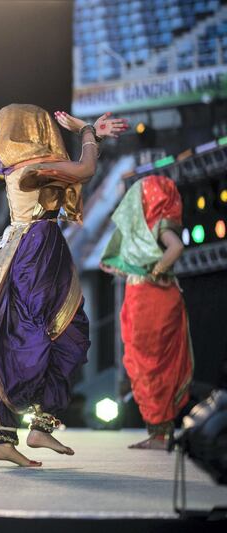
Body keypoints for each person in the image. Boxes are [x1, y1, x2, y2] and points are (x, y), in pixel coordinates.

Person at [0, 105, 127, 466]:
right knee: (28, 341)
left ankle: (35, 429)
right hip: (32, 256)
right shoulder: (28, 170)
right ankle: (7, 435)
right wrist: (86, 132)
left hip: (46, 254)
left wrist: (92, 134)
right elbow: (83, 170)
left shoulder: (37, 166)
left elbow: (75, 171)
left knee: (68, 335)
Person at [100, 175, 193, 449]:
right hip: (142, 297)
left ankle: (161, 433)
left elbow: (176, 247)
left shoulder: (158, 223)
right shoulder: (140, 229)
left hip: (153, 299)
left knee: (151, 362)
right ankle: (158, 432)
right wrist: (127, 269)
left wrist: (154, 271)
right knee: (142, 361)